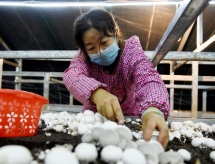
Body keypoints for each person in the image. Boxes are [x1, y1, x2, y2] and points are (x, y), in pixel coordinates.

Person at [63, 8, 170, 149]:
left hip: (127, 118)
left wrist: (153, 109)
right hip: (95, 119)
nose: (99, 52)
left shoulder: (132, 54)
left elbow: (148, 77)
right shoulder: (83, 57)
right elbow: (72, 74)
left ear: (115, 33)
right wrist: (96, 93)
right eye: (91, 48)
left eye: (104, 43)